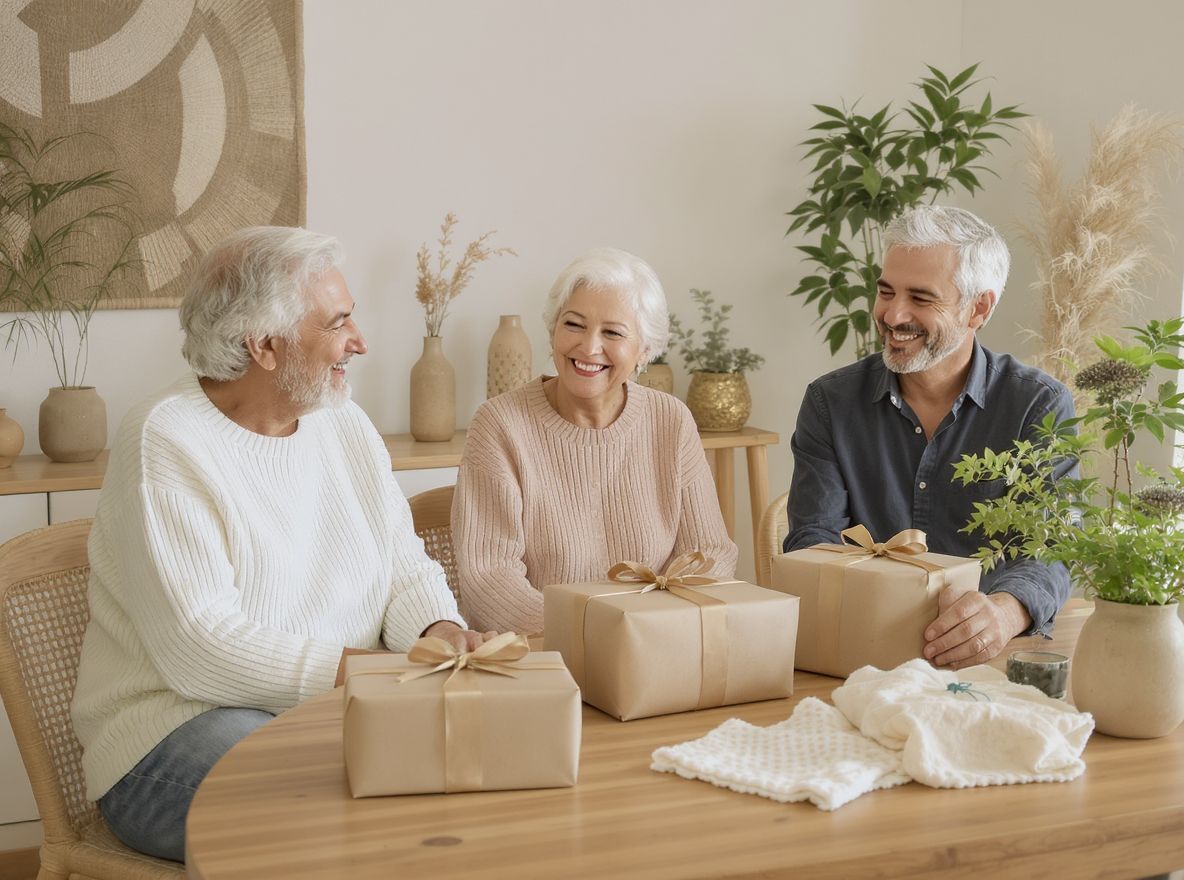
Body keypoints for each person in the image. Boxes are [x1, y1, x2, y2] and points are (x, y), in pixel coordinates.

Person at [71, 227, 493, 862]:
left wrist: (438, 629)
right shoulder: (165, 439)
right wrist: (368, 675)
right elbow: (201, 649)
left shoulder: (343, 421)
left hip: (329, 718)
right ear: (264, 345)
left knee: (464, 766)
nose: (360, 341)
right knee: (340, 801)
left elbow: (400, 566)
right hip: (173, 734)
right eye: (338, 323)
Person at [783, 205, 1075, 669]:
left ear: (978, 308)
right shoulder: (828, 402)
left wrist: (1001, 614)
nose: (893, 314)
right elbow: (813, 540)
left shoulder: (1037, 406)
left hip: (990, 659)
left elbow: (1054, 548)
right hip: (858, 654)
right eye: (885, 291)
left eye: (921, 298)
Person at [453, 247, 738, 634]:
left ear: (645, 350)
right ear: (552, 328)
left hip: (656, 649)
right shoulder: (500, 425)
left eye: (613, 333)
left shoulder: (670, 420)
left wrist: (652, 630)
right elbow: (489, 582)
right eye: (573, 324)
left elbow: (710, 556)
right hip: (545, 657)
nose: (588, 348)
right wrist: (601, 634)